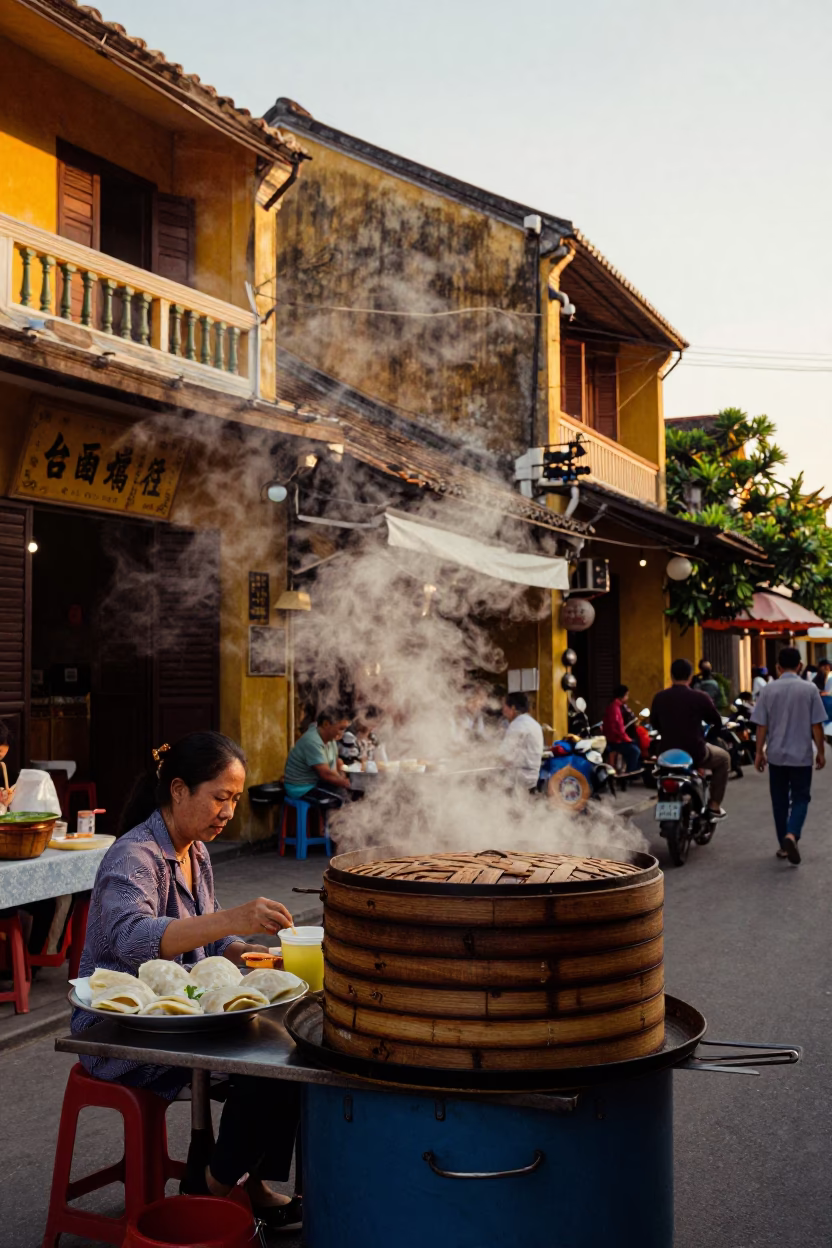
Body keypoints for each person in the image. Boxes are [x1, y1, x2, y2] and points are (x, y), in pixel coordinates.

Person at [72, 732, 302, 1230]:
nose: (229, 812)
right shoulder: (133, 857)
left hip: (186, 1019)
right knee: (271, 1071)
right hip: (122, 1031)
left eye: (235, 800)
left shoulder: (194, 852)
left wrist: (252, 955)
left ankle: (249, 1182)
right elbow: (133, 939)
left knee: (291, 1054)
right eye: (220, 797)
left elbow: (210, 943)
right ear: (178, 790)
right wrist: (233, 919)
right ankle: (213, 1188)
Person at [751, 646, 826, 865]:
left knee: (780, 801)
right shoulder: (810, 689)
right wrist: (820, 752)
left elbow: (761, 726)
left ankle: (784, 847)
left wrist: (758, 753)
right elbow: (817, 725)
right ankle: (792, 834)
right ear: (800, 666)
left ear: (778, 667)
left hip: (776, 756)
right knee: (801, 797)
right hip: (801, 756)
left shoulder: (768, 690)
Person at [650, 658, 729, 819]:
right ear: (691, 677)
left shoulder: (659, 697)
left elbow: (654, 724)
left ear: (671, 676)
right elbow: (717, 722)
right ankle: (714, 806)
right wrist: (709, 739)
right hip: (695, 751)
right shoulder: (700, 697)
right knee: (724, 759)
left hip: (666, 752)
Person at [284, 707, 352, 803]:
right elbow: (325, 775)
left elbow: (332, 770)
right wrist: (344, 783)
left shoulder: (331, 741)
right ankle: (334, 818)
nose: (342, 733)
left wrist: (341, 779)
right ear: (326, 724)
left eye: (344, 729)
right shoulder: (312, 741)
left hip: (316, 782)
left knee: (346, 794)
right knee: (339, 799)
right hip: (301, 788)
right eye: (341, 728)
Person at [499, 692, 544, 792]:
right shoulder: (534, 723)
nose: (503, 710)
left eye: (505, 706)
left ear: (513, 708)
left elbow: (504, 753)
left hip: (519, 781)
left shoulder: (518, 724)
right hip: (532, 780)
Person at [601, 685, 643, 775]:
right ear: (622, 696)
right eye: (626, 695)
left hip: (616, 738)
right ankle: (630, 773)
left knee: (635, 744)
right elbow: (618, 729)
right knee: (636, 750)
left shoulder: (618, 706)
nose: (627, 698)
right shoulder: (615, 708)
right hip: (615, 741)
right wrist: (627, 739)